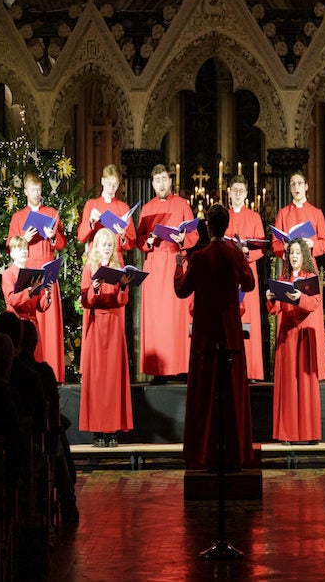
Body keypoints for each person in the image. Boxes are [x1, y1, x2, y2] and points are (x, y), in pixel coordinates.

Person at [173, 204, 255, 471]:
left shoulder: (199, 256)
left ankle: (205, 453)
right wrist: (243, 255)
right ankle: (234, 453)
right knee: (231, 390)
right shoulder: (233, 254)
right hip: (229, 328)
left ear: (208, 225)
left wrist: (178, 267)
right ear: (226, 226)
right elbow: (250, 285)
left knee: (205, 390)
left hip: (206, 331)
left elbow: (182, 290)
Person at [135, 164, 198, 379]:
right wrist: (148, 240)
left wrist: (183, 239)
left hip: (175, 262)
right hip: (155, 265)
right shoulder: (147, 208)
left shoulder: (182, 204)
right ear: (153, 184)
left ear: (170, 181)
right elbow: (139, 240)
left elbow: (195, 235)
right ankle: (158, 371)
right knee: (156, 319)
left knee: (178, 318)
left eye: (164, 179)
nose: (161, 184)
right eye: (157, 180)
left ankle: (180, 368)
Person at [6, 172, 67, 381]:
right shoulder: (18, 216)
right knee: (31, 322)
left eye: (39, 190)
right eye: (32, 190)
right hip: (29, 272)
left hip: (47, 270)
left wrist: (52, 237)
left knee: (49, 324)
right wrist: (23, 238)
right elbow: (9, 245)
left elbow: (61, 244)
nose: (36, 193)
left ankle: (52, 372)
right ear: (25, 191)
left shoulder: (50, 212)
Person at [79, 228, 134, 446]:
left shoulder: (118, 269)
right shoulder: (88, 268)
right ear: (96, 247)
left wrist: (123, 286)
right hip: (95, 325)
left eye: (110, 245)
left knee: (112, 379)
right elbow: (85, 301)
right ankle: (97, 431)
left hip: (113, 325)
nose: (107, 248)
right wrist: (93, 288)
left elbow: (122, 301)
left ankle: (112, 430)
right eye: (103, 245)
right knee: (97, 378)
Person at [272, 171, 325, 379]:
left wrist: (313, 243)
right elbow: (275, 244)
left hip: (308, 268)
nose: (296, 187)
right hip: (289, 268)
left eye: (299, 183)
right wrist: (286, 246)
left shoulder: (315, 213)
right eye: (292, 183)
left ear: (306, 186)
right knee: (286, 310)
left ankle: (313, 367)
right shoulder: (283, 213)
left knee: (309, 312)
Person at [267, 237, 323, 444]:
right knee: (288, 384)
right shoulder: (284, 278)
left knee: (305, 384)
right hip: (287, 335)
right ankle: (287, 433)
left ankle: (309, 433)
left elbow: (315, 303)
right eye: (291, 253)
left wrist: (299, 297)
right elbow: (274, 310)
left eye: (298, 253)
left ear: (304, 256)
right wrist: (271, 298)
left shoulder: (310, 277)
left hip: (304, 334)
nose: (294, 257)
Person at [226, 174, 267, 380]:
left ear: (247, 193)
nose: (238, 194)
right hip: (227, 276)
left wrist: (246, 252)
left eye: (241, 191)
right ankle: (230, 369)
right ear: (229, 193)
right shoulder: (224, 215)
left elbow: (260, 248)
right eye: (235, 190)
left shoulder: (254, 217)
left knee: (249, 319)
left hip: (247, 275)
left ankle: (250, 370)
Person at [77, 163, 137, 251]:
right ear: (102, 181)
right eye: (109, 184)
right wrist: (91, 222)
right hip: (96, 257)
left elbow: (131, 244)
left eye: (115, 185)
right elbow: (81, 237)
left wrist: (123, 236)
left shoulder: (124, 208)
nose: (111, 189)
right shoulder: (91, 204)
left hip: (115, 257)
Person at [0, 236, 51, 322]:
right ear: (12, 254)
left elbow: (40, 306)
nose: (24, 251)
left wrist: (47, 294)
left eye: (25, 248)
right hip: (15, 323)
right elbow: (11, 300)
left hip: (31, 324)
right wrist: (29, 290)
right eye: (20, 249)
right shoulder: (8, 274)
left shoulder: (33, 274)